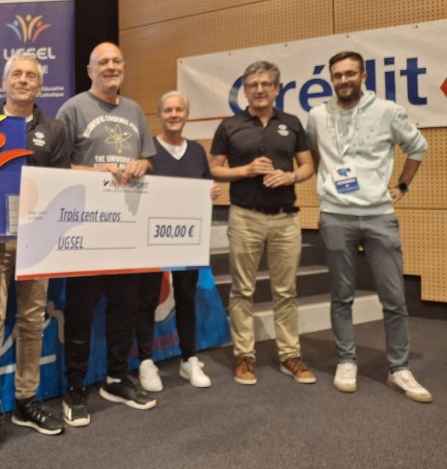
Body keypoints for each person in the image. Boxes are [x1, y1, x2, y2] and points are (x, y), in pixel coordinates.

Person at [307, 51, 431, 403]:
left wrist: (403, 186)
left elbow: (418, 147)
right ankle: (347, 361)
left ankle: (399, 368)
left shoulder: (387, 111)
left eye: (350, 74)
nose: (343, 80)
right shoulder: (317, 115)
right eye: (337, 75)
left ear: (363, 77)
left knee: (393, 297)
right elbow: (313, 152)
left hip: (379, 216)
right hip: (335, 215)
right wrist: (325, 180)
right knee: (341, 295)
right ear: (331, 79)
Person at [0, 51, 70, 453]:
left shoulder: (55, 129)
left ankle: (26, 401)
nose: (24, 79)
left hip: (37, 237)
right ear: (4, 82)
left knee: (31, 322)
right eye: (17, 74)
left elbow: (60, 186)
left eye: (31, 75)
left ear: (40, 86)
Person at [56, 41, 157, 427]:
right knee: (80, 313)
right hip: (86, 228)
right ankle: (75, 386)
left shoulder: (134, 110)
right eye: (103, 62)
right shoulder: (72, 109)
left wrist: (142, 164)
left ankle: (116, 379)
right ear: (90, 70)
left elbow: (147, 157)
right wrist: (93, 173)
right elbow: (56, 165)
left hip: (126, 229)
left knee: (124, 309)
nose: (111, 67)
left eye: (117, 61)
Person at [209, 61, 316, 386]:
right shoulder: (230, 126)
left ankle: (290, 355)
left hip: (286, 218)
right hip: (245, 216)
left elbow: (308, 165)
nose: (259, 90)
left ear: (277, 89)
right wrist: (245, 170)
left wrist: (290, 176)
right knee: (242, 290)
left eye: (265, 84)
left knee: (286, 291)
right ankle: (244, 356)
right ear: (244, 90)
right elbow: (213, 168)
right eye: (252, 85)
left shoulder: (292, 123)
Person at [136, 91, 220, 392]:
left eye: (179, 110)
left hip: (187, 239)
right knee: (147, 298)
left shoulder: (197, 151)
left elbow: (205, 185)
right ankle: (146, 361)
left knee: (186, 297)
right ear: (159, 115)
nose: (174, 115)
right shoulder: (147, 151)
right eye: (168, 110)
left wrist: (210, 193)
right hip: (152, 237)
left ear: (187, 114)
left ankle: (189, 359)